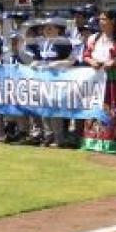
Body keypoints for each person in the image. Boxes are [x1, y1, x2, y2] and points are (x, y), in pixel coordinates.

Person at [82, 11, 116, 153]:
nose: (101, 22)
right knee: (95, 108)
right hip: (96, 81)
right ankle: (93, 141)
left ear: (112, 21)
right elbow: (86, 55)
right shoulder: (94, 38)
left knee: (113, 109)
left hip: (114, 82)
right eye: (100, 19)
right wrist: (91, 61)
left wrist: (115, 63)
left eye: (104, 19)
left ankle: (113, 142)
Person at [24, 16, 75, 147]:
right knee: (44, 109)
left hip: (58, 80)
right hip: (44, 80)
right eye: (45, 28)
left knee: (54, 110)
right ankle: (48, 136)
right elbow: (37, 59)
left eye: (50, 27)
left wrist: (57, 63)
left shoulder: (63, 42)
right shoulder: (43, 43)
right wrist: (35, 63)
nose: (46, 30)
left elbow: (72, 60)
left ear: (58, 29)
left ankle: (59, 138)